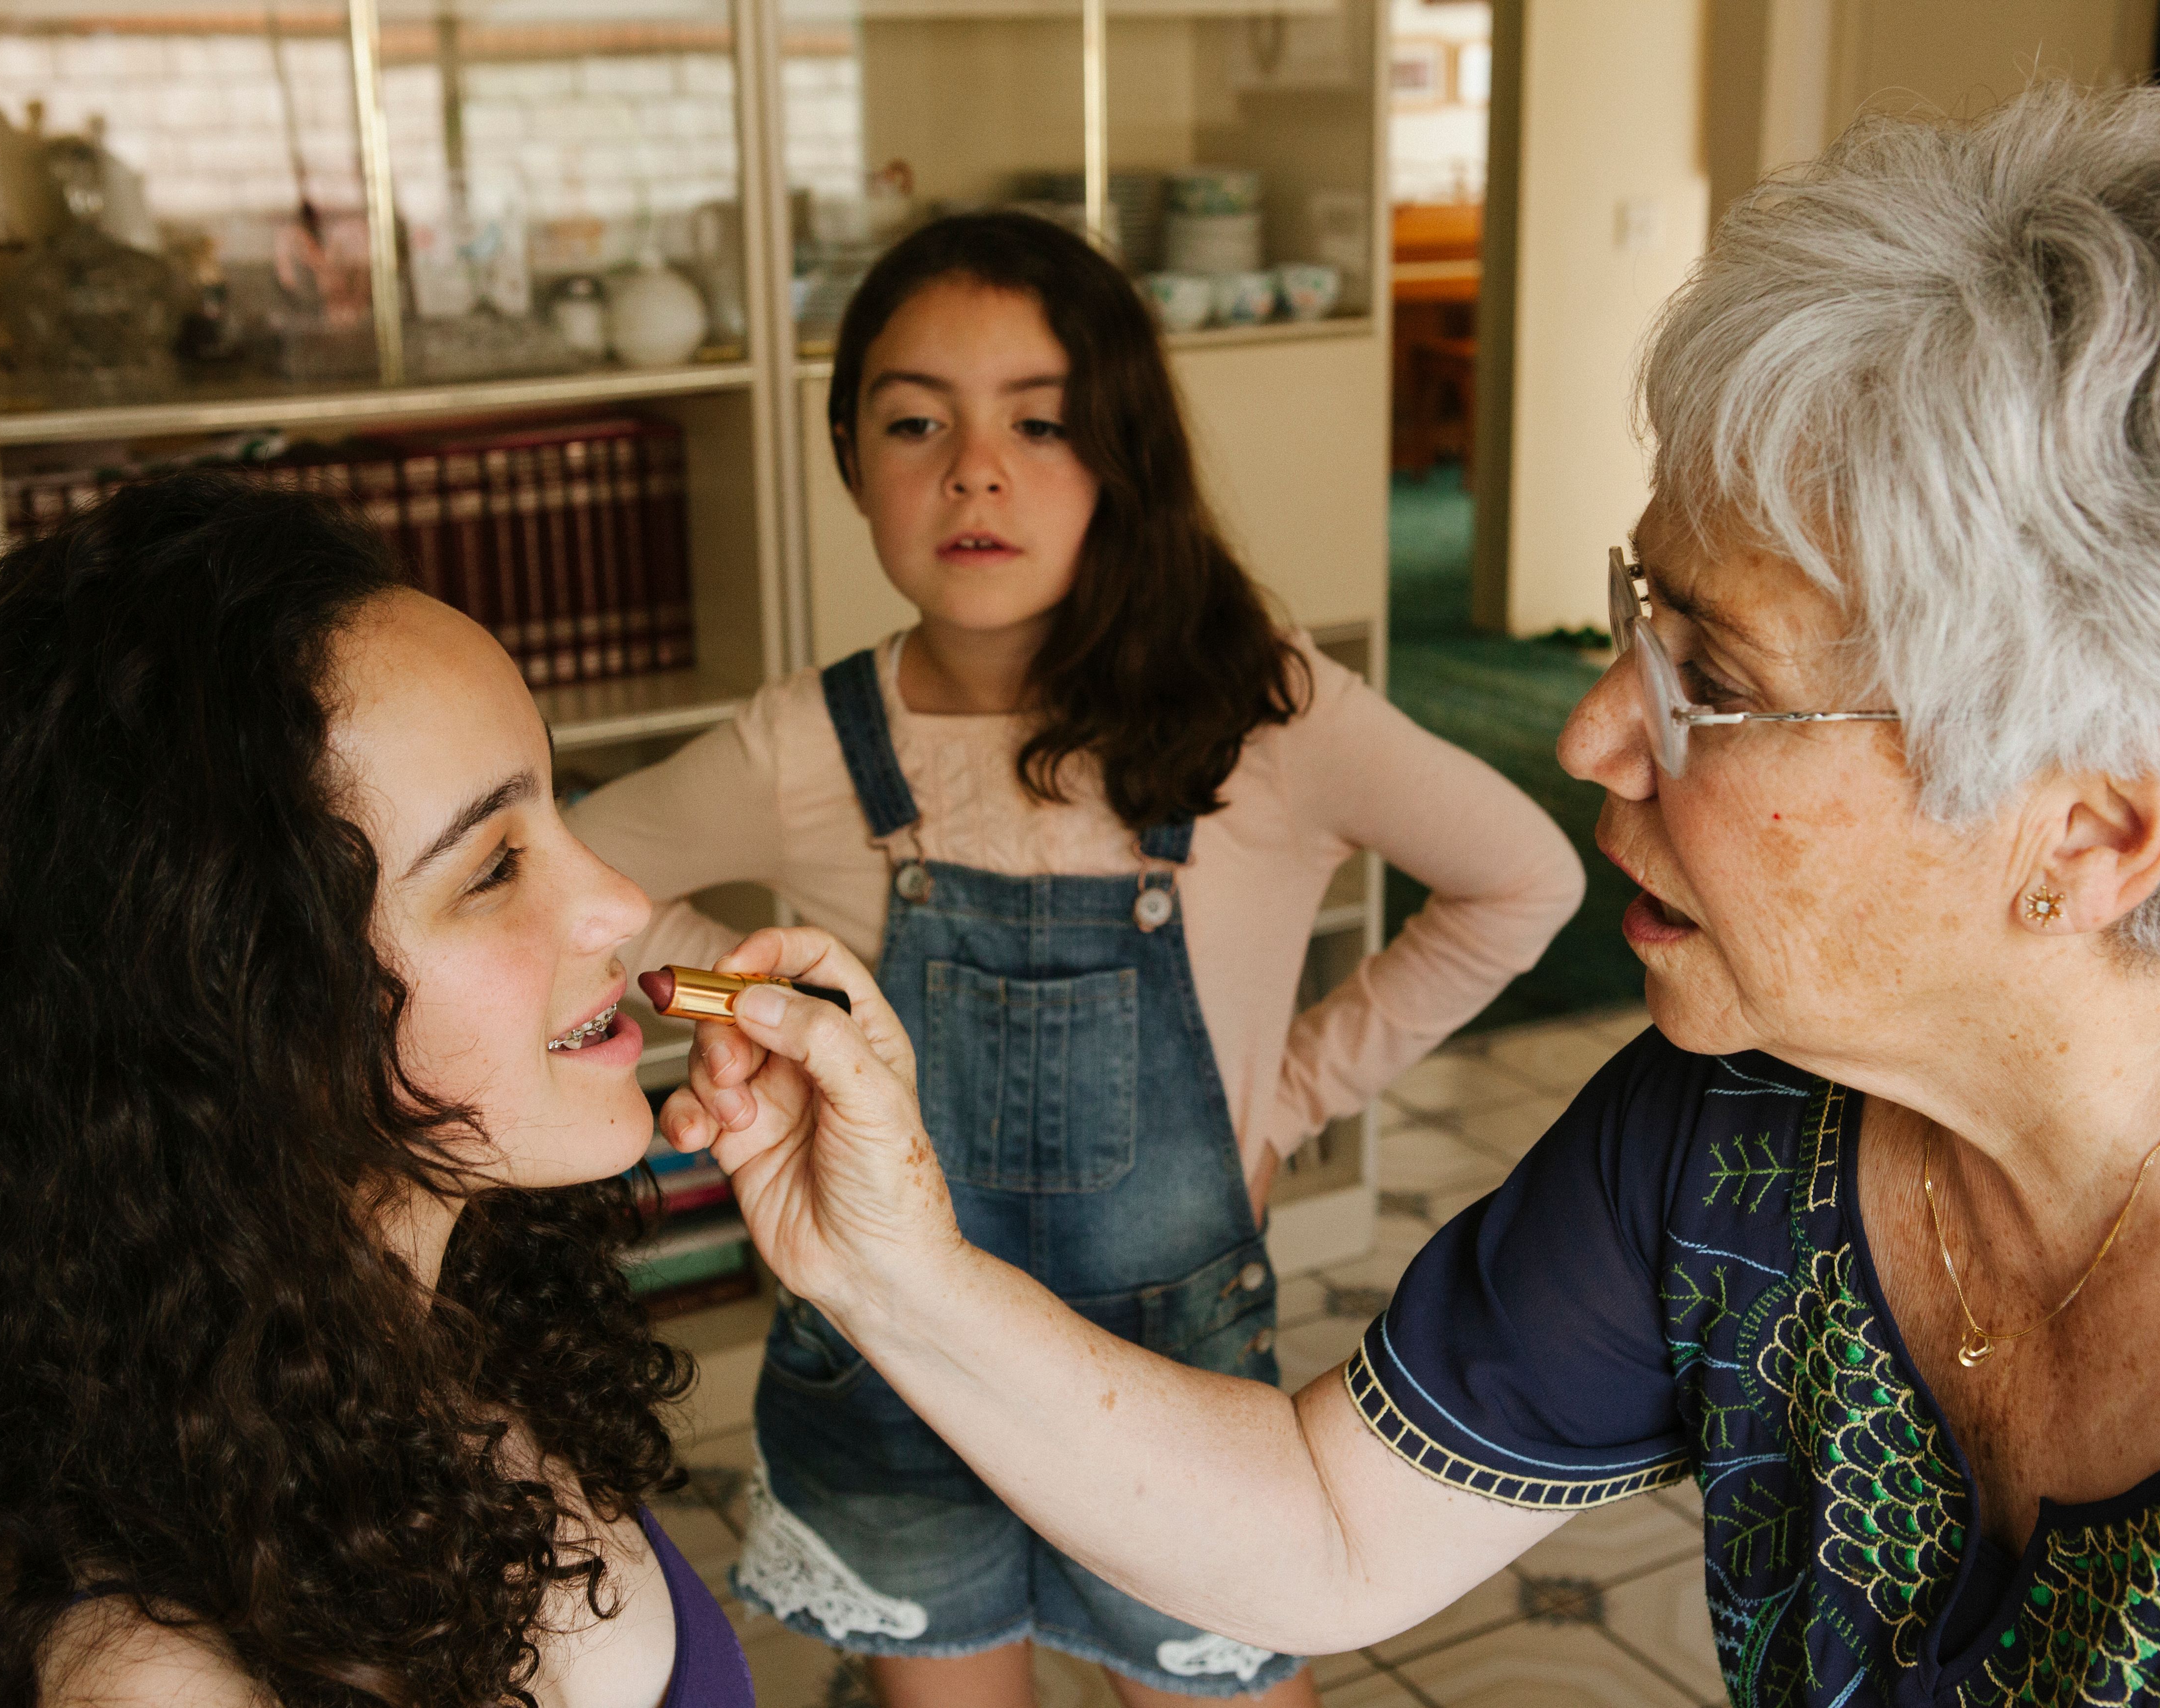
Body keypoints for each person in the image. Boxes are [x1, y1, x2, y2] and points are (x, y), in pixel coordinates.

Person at [660, 81, 2160, 1701]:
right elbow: (1328, 1529)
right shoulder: (1740, 1128)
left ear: (2086, 829)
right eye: (1639, 609)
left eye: (1708, 673)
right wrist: (882, 1262)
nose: (1591, 725)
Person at [568, 211, 1584, 1706]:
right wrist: (774, 1003)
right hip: (891, 1377)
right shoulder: (808, 742)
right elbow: (590, 891)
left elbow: (1525, 878)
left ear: (1126, 452)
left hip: (1169, 1387)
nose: (974, 469)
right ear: (850, 459)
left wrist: (1294, 1093)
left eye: (1040, 423)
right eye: (914, 421)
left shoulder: (1266, 708)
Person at [0, 477, 753, 1708]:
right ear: (228, 1013)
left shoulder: (438, 1328)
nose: (621, 907)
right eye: (489, 870)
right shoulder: (157, 1680)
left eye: (556, 803)